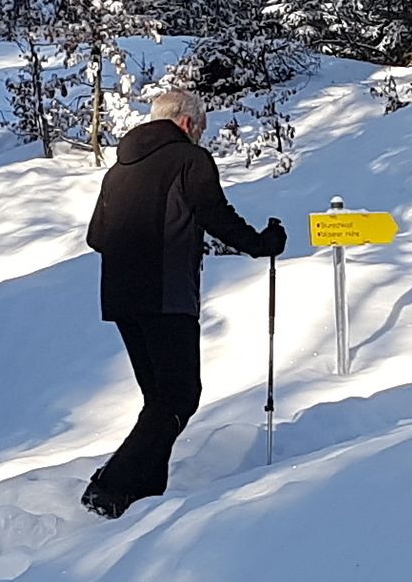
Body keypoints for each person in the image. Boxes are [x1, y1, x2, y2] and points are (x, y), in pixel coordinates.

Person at [82, 88, 287, 517]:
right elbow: (215, 215)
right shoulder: (190, 160)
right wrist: (262, 244)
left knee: (159, 398)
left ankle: (142, 495)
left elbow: (96, 237)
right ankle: (110, 487)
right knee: (180, 396)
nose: (201, 136)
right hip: (168, 295)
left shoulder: (118, 169)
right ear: (187, 122)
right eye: (202, 128)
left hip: (120, 298)